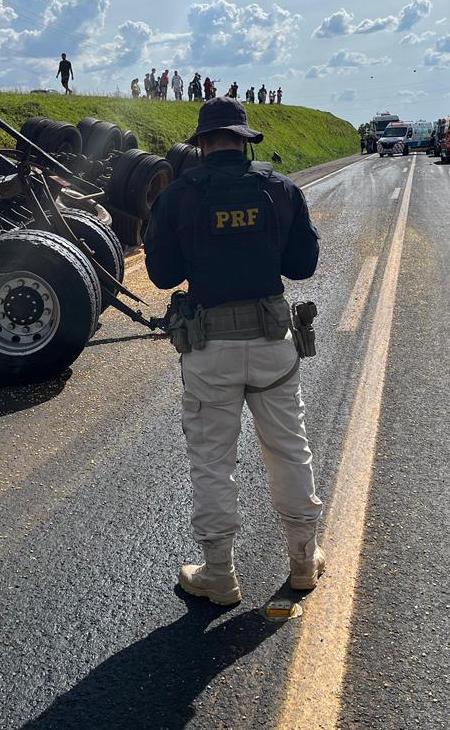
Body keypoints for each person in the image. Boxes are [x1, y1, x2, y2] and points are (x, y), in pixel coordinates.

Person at [143, 96, 324, 606]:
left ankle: (219, 575)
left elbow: (161, 275)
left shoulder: (178, 196)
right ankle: (304, 561)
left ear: (200, 145)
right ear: (246, 140)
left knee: (212, 462)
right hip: (272, 345)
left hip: (209, 349)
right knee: (290, 450)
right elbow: (303, 266)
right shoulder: (280, 190)